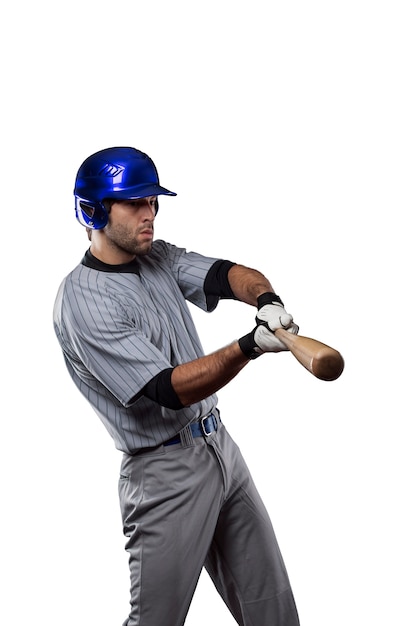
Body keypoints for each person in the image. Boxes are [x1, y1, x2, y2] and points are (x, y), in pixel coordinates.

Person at [53, 146, 301, 626]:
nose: (150, 215)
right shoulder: (82, 302)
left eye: (153, 202)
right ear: (94, 210)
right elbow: (170, 390)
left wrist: (267, 300)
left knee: (272, 610)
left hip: (219, 447)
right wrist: (250, 345)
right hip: (163, 475)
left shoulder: (157, 257)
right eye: (135, 204)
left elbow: (225, 274)